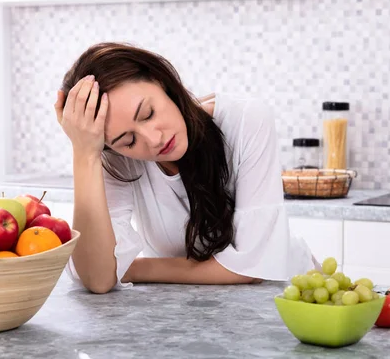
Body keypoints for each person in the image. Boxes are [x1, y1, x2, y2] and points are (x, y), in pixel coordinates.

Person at [53, 42, 316, 293]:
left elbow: (252, 267)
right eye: (129, 141)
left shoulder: (247, 120)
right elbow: (98, 279)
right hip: (191, 308)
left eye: (148, 113)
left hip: (288, 293)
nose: (154, 139)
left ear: (161, 81)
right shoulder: (120, 159)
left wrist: (131, 269)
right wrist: (85, 153)